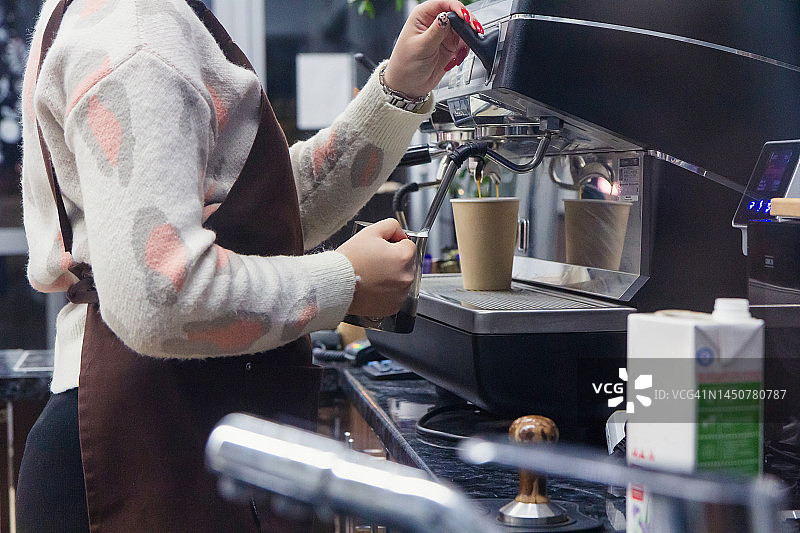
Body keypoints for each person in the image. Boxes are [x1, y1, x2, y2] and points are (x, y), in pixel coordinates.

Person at [16, 0, 482, 531]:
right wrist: (344, 283)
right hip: (143, 437)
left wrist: (398, 91)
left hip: (158, 416)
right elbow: (161, 295)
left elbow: (261, 212)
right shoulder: (142, 32)